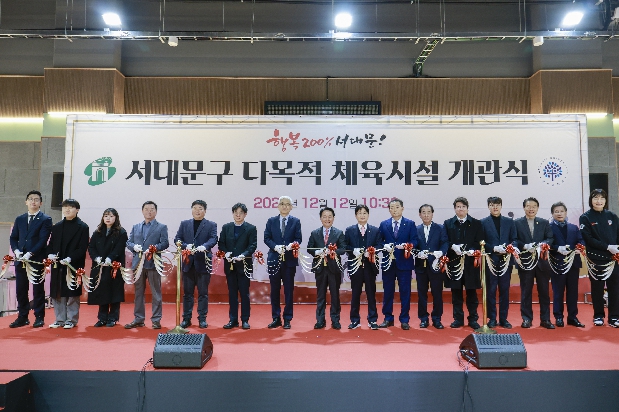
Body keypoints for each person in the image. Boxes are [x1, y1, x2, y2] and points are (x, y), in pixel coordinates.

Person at [9, 190, 52, 328]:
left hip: (36, 259)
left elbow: (42, 240)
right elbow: (13, 237)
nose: (33, 201)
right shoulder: (20, 219)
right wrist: (16, 251)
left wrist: (30, 254)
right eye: (31, 199)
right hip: (21, 260)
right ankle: (22, 317)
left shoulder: (45, 219)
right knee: (21, 289)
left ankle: (39, 317)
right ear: (26, 202)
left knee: (38, 289)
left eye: (36, 199)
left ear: (41, 203)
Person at [125, 201, 169, 330]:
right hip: (138, 264)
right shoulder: (136, 227)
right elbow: (129, 242)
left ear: (156, 211)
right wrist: (134, 247)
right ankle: (139, 319)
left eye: (152, 209)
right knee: (138, 292)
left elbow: (165, 243)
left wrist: (155, 248)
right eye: (146, 209)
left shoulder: (161, 227)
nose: (149, 211)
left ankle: (156, 320)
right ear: (142, 211)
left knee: (156, 293)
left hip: (153, 263)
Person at [174, 200, 218, 329]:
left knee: (203, 293)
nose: (197, 211)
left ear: (205, 211)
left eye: (200, 208)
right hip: (188, 263)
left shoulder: (211, 225)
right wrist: (185, 245)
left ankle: (202, 318)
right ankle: (186, 319)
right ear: (191, 209)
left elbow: (213, 239)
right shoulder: (184, 224)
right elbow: (177, 239)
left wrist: (205, 246)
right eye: (195, 208)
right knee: (187, 293)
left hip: (203, 262)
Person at [46, 199, 89, 329]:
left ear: (77, 210)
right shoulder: (57, 226)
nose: (67, 209)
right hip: (57, 264)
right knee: (57, 291)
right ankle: (59, 319)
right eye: (65, 207)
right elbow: (51, 244)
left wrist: (70, 258)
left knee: (72, 292)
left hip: (73, 264)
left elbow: (82, 247)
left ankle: (71, 319)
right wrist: (50, 254)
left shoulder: (83, 227)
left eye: (70, 207)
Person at [579, 189, 619, 327]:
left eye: (602, 198)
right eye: (596, 198)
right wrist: (607, 247)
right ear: (591, 200)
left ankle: (614, 317)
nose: (599, 201)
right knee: (597, 288)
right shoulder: (585, 217)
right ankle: (598, 315)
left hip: (613, 259)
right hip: (595, 259)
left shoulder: (612, 216)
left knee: (615, 288)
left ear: (605, 200)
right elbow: (588, 239)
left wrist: (616, 249)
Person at [443, 197, 484, 329]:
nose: (461, 209)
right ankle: (458, 319)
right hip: (454, 263)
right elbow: (444, 240)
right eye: (458, 207)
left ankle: (473, 319)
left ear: (467, 208)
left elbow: (480, 241)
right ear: (455, 209)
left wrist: (472, 250)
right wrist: (452, 246)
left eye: (463, 207)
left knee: (472, 293)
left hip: (471, 263)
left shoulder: (476, 223)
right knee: (456, 293)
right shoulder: (448, 223)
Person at [378, 198, 419, 330]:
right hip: (388, 263)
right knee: (388, 292)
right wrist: (384, 246)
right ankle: (388, 318)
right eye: (392, 208)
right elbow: (378, 242)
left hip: (404, 263)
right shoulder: (383, 224)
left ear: (402, 208)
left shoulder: (410, 224)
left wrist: (407, 245)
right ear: (389, 210)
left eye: (397, 207)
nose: (394, 210)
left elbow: (415, 241)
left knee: (405, 292)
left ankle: (404, 319)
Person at [514, 197, 555, 329]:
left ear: (537, 208)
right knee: (526, 291)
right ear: (524, 208)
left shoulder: (544, 222)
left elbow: (550, 238)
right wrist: (524, 246)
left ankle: (545, 319)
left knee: (544, 292)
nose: (531, 209)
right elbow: (514, 239)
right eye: (528, 206)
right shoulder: (517, 223)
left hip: (542, 262)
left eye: (534, 206)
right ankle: (526, 319)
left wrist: (543, 244)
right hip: (525, 262)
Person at [264, 196, 302, 329]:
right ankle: (276, 318)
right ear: (278, 206)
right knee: (274, 290)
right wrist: (275, 247)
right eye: (282, 204)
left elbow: (298, 239)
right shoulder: (271, 221)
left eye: (287, 204)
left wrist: (293, 245)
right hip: (274, 259)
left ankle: (287, 318)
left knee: (289, 291)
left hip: (289, 261)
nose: (284, 206)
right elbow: (266, 238)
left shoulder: (295, 221)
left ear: (291, 207)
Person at [480, 196, 518, 329]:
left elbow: (515, 239)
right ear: (488, 207)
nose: (495, 207)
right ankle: (492, 318)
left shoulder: (509, 222)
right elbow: (481, 242)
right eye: (492, 205)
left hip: (506, 261)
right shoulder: (483, 222)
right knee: (490, 290)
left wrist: (510, 247)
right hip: (490, 261)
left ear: (501, 206)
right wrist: (493, 248)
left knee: (504, 290)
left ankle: (503, 319)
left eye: (497, 205)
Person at [344, 204, 384, 330]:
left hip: (370, 267)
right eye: (359, 213)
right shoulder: (349, 230)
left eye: (364, 213)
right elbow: (345, 246)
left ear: (368, 215)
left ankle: (372, 320)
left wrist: (372, 251)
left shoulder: (375, 230)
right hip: (355, 266)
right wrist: (353, 250)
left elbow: (380, 245)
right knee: (355, 294)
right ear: (356, 215)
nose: (362, 215)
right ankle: (355, 320)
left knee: (371, 294)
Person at [218, 203, 257, 330]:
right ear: (233, 213)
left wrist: (243, 255)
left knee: (244, 293)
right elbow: (221, 243)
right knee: (232, 294)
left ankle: (245, 320)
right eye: (236, 212)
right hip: (230, 265)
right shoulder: (226, 227)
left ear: (245, 214)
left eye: (241, 213)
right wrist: (226, 253)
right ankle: (233, 319)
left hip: (244, 265)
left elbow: (252, 245)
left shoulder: (251, 228)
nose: (238, 215)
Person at [87, 208, 129, 327]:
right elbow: (91, 247)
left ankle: (113, 318)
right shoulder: (98, 232)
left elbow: (119, 248)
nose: (108, 218)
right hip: (100, 266)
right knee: (102, 291)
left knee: (114, 291)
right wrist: (96, 257)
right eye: (106, 216)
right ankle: (102, 317)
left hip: (114, 266)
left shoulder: (121, 232)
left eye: (111, 216)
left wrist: (110, 258)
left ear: (116, 218)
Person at [307, 207, 346, 330]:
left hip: (334, 269)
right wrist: (318, 252)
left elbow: (343, 249)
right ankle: (320, 320)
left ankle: (335, 320)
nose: (327, 219)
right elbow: (309, 248)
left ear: (333, 218)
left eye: (330, 216)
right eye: (324, 216)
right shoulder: (315, 233)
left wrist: (332, 252)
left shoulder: (339, 233)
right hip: (320, 268)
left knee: (335, 296)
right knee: (320, 295)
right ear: (320, 218)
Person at [549, 201, 584, 328]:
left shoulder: (574, 227)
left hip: (573, 263)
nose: (559, 214)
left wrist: (580, 247)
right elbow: (547, 244)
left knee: (573, 291)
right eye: (556, 212)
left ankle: (572, 317)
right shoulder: (549, 228)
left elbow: (581, 241)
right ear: (552, 214)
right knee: (558, 291)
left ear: (566, 212)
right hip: (557, 263)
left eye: (562, 211)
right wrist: (557, 248)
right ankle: (558, 317)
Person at [415, 204, 449, 329]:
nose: (426, 215)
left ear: (432, 214)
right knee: (422, 294)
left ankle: (437, 319)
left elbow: (445, 242)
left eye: (428, 212)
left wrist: (442, 252)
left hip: (436, 265)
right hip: (421, 266)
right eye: (423, 212)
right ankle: (423, 318)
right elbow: (413, 245)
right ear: (419, 215)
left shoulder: (440, 228)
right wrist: (418, 253)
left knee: (437, 293)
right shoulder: (416, 229)